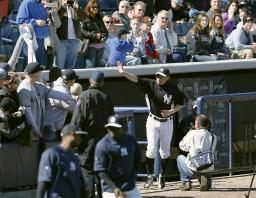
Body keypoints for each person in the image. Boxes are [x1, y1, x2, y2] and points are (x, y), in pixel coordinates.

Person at [117, 62, 184, 189]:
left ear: (168, 78)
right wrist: (122, 72)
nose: (159, 78)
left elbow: (181, 103)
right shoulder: (150, 84)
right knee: (151, 150)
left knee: (164, 152)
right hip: (153, 121)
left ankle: (161, 177)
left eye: (162, 76)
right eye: (157, 76)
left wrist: (171, 111)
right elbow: (135, 79)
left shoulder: (173, 88)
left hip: (167, 121)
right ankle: (150, 176)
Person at [72, 71, 114, 198]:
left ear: (90, 81)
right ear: (102, 82)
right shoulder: (107, 97)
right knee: (101, 168)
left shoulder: (84, 96)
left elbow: (77, 120)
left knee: (87, 168)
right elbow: (112, 120)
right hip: (104, 137)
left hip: (87, 138)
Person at [17, 62, 74, 139]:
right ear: (35, 73)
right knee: (31, 150)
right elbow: (27, 111)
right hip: (30, 129)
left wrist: (72, 98)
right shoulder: (24, 89)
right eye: (40, 71)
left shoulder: (38, 85)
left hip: (40, 126)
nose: (41, 73)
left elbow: (54, 93)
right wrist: (35, 129)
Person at [94, 115, 141, 198]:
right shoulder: (102, 145)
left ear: (121, 128)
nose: (112, 130)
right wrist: (114, 188)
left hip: (130, 187)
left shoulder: (131, 140)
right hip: (110, 189)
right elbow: (100, 171)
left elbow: (137, 160)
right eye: (110, 127)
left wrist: (132, 178)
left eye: (115, 128)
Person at [36, 124, 88, 198]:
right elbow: (43, 183)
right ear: (72, 135)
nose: (80, 139)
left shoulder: (74, 157)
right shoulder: (52, 153)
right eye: (78, 136)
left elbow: (81, 185)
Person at [177, 114, 217, 191]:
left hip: (193, 169)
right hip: (208, 168)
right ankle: (205, 179)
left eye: (195, 123)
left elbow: (182, 146)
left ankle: (186, 182)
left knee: (179, 158)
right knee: (207, 179)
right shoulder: (213, 136)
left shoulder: (191, 133)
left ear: (197, 125)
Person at [43, 69, 78, 141]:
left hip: (49, 127)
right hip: (49, 129)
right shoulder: (62, 90)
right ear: (71, 81)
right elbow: (73, 109)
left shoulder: (58, 86)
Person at [16, 0, 49, 66]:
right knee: (30, 66)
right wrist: (35, 22)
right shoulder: (26, 2)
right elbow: (19, 20)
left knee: (40, 66)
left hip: (41, 39)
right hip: (30, 39)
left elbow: (44, 20)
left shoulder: (41, 4)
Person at [55, 0, 83, 69]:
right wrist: (63, 8)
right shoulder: (57, 4)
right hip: (61, 39)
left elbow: (84, 18)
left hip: (74, 40)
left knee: (70, 66)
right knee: (59, 65)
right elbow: (55, 20)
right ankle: (59, 79)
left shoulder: (74, 4)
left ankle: (69, 79)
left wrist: (78, 9)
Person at [80, 0, 108, 68]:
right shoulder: (85, 18)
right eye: (93, 7)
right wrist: (94, 35)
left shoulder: (100, 18)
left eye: (97, 7)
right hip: (91, 46)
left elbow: (105, 31)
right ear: (89, 8)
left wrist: (104, 37)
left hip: (101, 46)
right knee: (90, 67)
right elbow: (82, 31)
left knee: (98, 67)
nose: (95, 9)